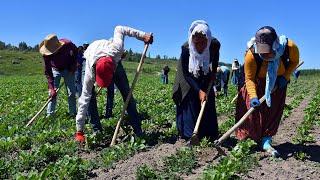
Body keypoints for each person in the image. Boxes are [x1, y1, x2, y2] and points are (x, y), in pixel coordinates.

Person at [75, 25, 153, 142]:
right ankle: (97, 130)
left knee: (127, 94)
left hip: (111, 59)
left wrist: (143, 36)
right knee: (89, 98)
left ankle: (138, 129)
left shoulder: (117, 49)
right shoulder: (89, 75)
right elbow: (83, 100)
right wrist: (79, 131)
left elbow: (119, 28)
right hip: (91, 56)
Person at [235, 26, 299, 157]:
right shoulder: (251, 54)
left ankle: (266, 140)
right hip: (255, 82)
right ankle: (245, 140)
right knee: (250, 112)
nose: (265, 56)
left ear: (275, 45)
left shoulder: (289, 47)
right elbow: (249, 78)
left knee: (273, 110)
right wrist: (253, 97)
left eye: (268, 52)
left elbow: (294, 62)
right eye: (262, 53)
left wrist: (285, 77)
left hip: (277, 82)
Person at [172, 20, 220, 141]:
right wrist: (198, 90)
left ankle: (209, 132)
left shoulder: (214, 44)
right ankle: (190, 133)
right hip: (187, 72)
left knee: (208, 99)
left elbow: (215, 58)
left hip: (204, 69)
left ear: (208, 40)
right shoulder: (186, 49)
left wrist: (213, 72)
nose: (199, 47)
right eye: (196, 43)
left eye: (203, 43)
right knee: (189, 97)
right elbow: (187, 75)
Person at [39, 34, 77, 118]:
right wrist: (51, 88)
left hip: (68, 70)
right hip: (55, 70)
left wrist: (74, 65)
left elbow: (76, 52)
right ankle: (50, 115)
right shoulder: (46, 54)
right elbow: (48, 72)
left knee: (71, 93)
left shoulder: (68, 44)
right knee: (52, 94)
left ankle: (73, 113)